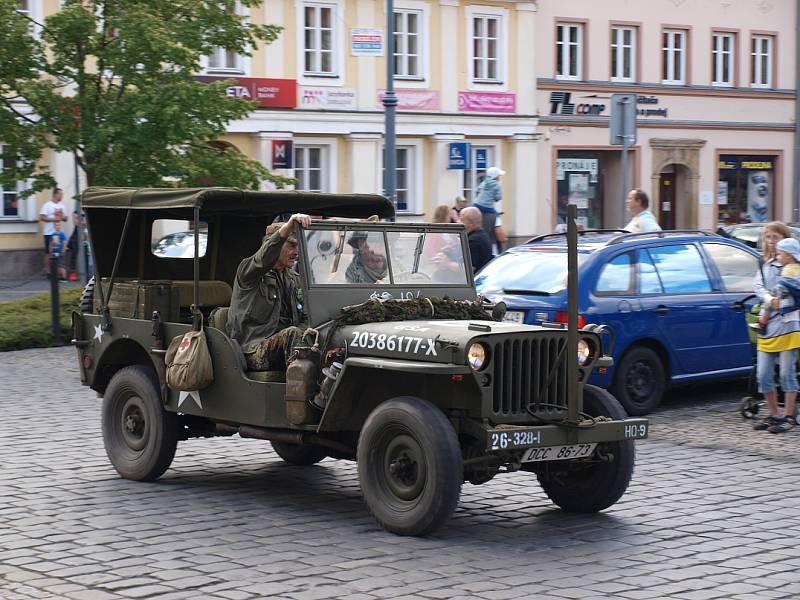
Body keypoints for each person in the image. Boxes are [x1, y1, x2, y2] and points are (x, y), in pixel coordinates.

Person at [227, 214, 312, 371]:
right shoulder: (249, 273)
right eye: (292, 245)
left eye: (299, 245)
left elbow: (308, 317)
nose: (297, 251)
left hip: (287, 346)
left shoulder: (294, 279)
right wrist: (286, 229)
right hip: (251, 349)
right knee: (293, 334)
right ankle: (303, 393)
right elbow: (263, 259)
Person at [752, 222, 798, 433]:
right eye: (768, 237)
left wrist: (776, 299)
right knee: (763, 374)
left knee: (787, 372)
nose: (771, 241)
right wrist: (769, 300)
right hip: (768, 322)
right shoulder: (765, 263)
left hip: (789, 324)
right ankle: (774, 414)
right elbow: (758, 286)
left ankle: (788, 416)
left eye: (775, 237)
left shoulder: (792, 267)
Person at [473, 167, 505, 245]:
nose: (499, 178)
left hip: (476, 204)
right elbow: (498, 197)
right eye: (498, 176)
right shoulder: (497, 185)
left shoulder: (484, 182)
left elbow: (477, 191)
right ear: (496, 176)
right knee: (496, 215)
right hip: (487, 208)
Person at [39, 187, 67, 275]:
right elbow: (42, 217)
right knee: (48, 252)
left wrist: (63, 218)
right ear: (55, 194)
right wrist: (54, 219)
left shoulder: (62, 205)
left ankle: (56, 272)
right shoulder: (47, 205)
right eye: (60, 194)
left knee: (57, 252)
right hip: (49, 233)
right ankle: (48, 271)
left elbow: (66, 218)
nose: (62, 196)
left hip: (58, 234)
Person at [460, 206, 492, 272]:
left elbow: (469, 269)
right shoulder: (481, 234)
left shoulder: (474, 240)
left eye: (462, 220)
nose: (458, 222)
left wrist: (448, 263)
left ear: (471, 223)